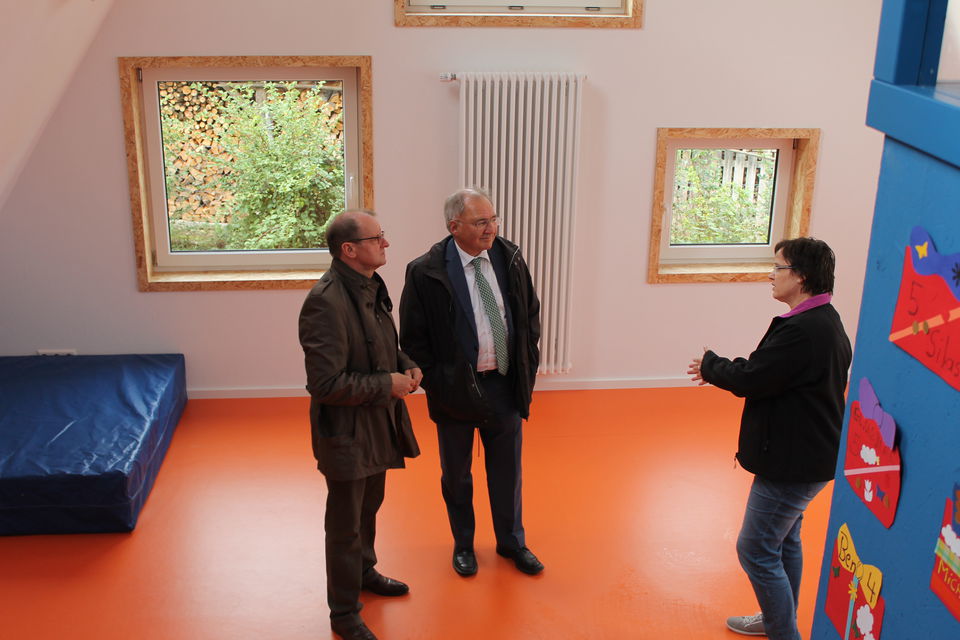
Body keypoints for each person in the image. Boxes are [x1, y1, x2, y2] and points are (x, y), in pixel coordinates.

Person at [687, 237, 852, 640]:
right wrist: (719, 368)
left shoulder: (804, 331)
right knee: (785, 540)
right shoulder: (822, 320)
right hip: (807, 455)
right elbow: (771, 373)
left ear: (801, 276)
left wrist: (711, 365)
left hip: (794, 463)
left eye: (778, 268)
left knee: (756, 548)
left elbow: (753, 378)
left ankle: (782, 630)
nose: (771, 275)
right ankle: (778, 618)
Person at [399, 188, 543, 577]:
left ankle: (512, 542)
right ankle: (463, 545)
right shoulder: (425, 271)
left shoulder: (510, 258)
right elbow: (413, 339)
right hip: (455, 391)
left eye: (493, 219)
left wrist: (526, 367)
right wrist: (440, 383)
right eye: (481, 222)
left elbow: (529, 316)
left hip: (504, 384)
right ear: (454, 226)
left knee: (508, 472)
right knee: (457, 475)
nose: (490, 228)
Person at [298, 210, 422, 640]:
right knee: (345, 525)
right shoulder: (325, 302)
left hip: (377, 422)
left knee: (369, 507)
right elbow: (325, 384)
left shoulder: (370, 285)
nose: (385, 244)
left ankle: (365, 572)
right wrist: (386, 384)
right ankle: (344, 613)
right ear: (349, 249)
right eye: (377, 238)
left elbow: (382, 345)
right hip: (346, 433)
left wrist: (404, 363)